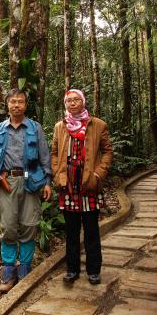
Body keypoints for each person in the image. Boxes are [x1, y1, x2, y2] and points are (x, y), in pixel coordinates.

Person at [0, 88, 52, 293]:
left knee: (30, 224)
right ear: (7, 104)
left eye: (20, 102)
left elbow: (44, 156)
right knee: (8, 226)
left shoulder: (35, 128)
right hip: (7, 182)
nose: (16, 105)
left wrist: (47, 182)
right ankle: (8, 270)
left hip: (31, 181)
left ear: (26, 105)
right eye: (13, 102)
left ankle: (24, 269)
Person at [51, 89, 113, 285]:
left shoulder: (98, 125)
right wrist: (56, 173)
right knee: (71, 231)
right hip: (68, 185)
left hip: (89, 185)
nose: (72, 103)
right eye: (69, 100)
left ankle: (94, 270)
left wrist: (98, 173)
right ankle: (72, 269)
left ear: (83, 101)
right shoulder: (60, 126)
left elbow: (107, 152)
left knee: (92, 230)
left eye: (76, 99)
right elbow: (54, 152)